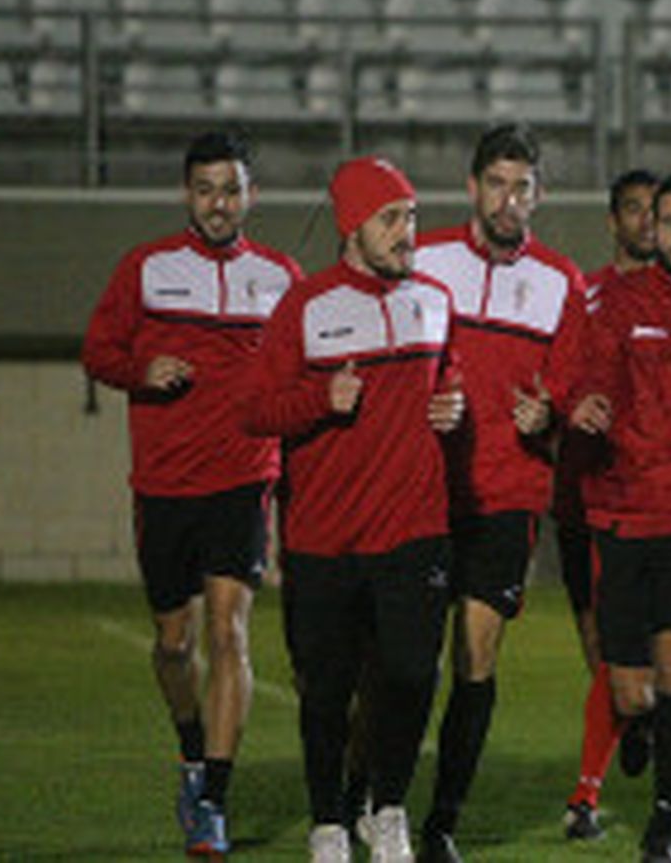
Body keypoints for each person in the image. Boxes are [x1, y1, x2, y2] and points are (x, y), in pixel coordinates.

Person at [82, 131, 301, 858]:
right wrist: (141, 370)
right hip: (165, 484)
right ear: (188, 194)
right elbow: (98, 351)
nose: (218, 204)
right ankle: (190, 749)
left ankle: (213, 798)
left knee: (229, 633)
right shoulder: (146, 268)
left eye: (231, 190)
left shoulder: (280, 277)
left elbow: (303, 369)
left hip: (244, 479)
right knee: (175, 644)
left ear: (251, 196)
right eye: (206, 190)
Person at [243, 156, 464, 863]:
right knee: (326, 692)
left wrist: (452, 401)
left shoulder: (435, 298)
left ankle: (388, 808)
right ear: (352, 227)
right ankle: (328, 822)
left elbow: (448, 372)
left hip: (416, 528)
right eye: (391, 218)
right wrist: (320, 399)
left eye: (411, 216)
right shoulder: (305, 306)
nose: (407, 232)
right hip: (324, 538)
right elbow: (255, 409)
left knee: (412, 674)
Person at [411, 122, 588, 863]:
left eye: (522, 187)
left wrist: (549, 415)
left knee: (475, 659)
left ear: (537, 195)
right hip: (421, 492)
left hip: (508, 497)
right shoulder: (423, 259)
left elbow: (573, 389)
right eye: (496, 184)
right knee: (402, 662)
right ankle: (370, 800)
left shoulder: (561, 281)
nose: (508, 199)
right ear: (472, 187)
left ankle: (440, 824)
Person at [568, 172, 671, 863]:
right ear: (652, 231)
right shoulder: (620, 303)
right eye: (670, 222)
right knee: (633, 694)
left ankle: (663, 829)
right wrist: (584, 403)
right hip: (625, 512)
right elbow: (590, 374)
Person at [551, 167, 661, 840]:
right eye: (634, 209)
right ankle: (639, 718)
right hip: (581, 494)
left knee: (640, 649)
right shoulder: (584, 296)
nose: (646, 221)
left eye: (655, 209)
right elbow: (558, 374)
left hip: (653, 500)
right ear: (613, 220)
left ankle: (584, 794)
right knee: (602, 649)